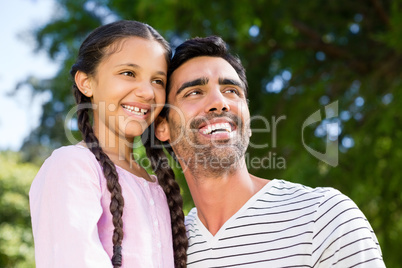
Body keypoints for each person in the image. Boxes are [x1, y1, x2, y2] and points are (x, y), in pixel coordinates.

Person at [150, 36, 386, 267]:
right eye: (194, 92)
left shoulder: (323, 217)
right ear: (163, 126)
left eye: (232, 90)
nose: (219, 102)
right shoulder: (166, 250)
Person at [29, 20, 187, 268]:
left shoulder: (157, 184)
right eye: (128, 73)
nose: (147, 92)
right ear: (86, 82)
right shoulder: (73, 166)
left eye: (158, 81)